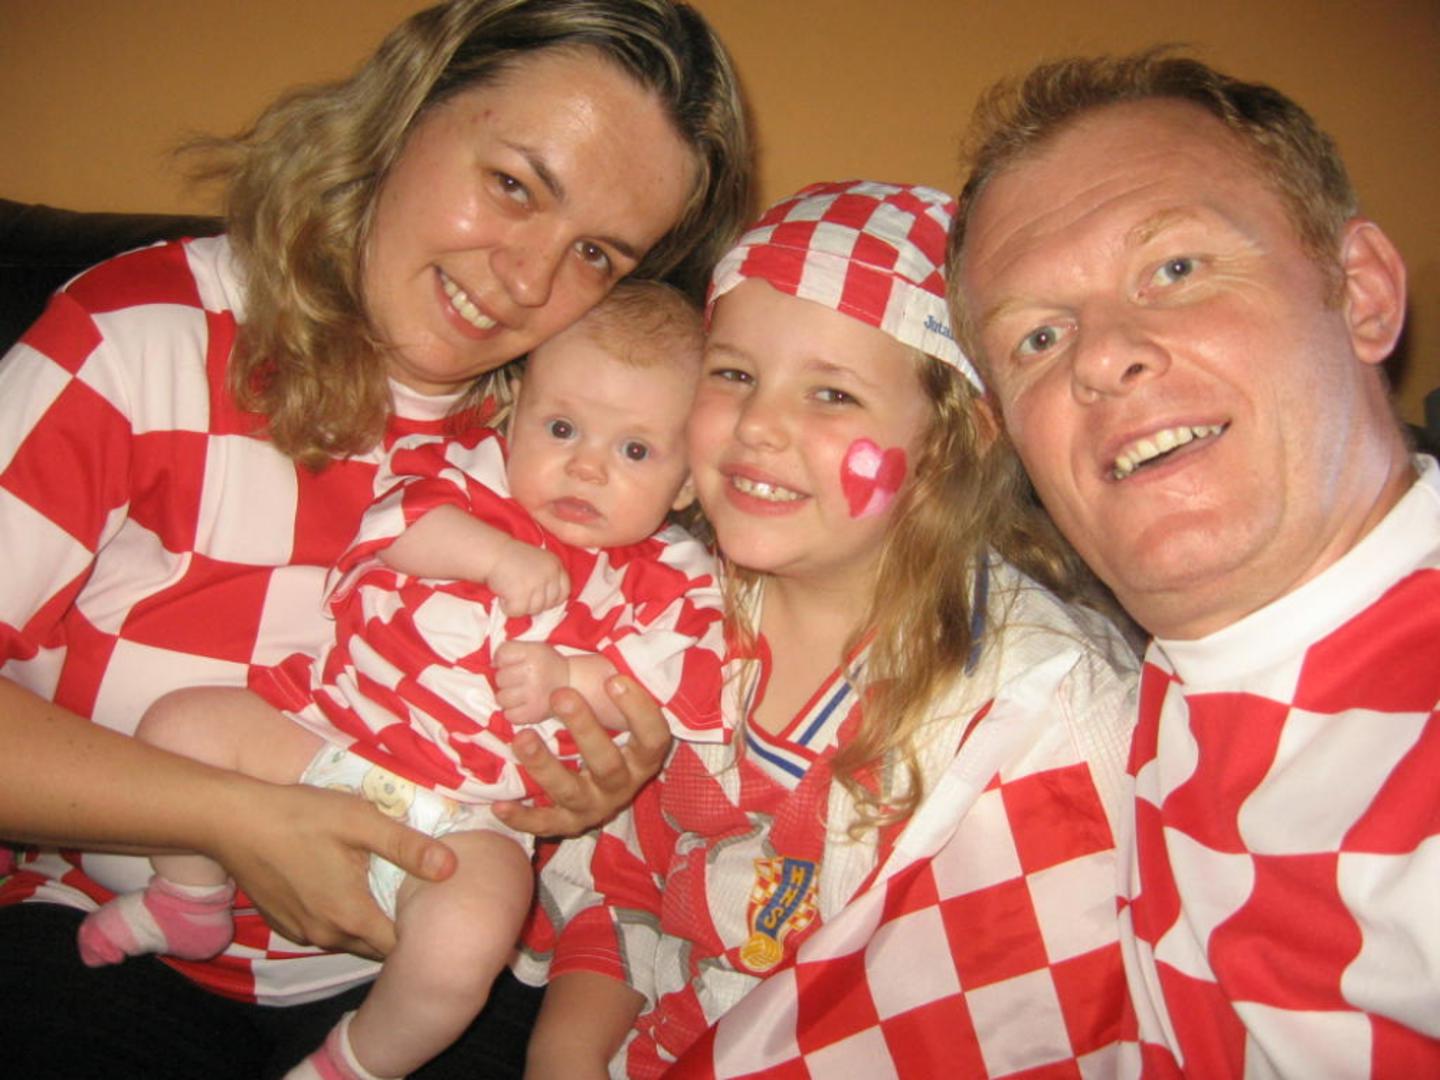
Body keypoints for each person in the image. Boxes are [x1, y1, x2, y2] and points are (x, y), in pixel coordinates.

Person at [0, 1, 751, 1075]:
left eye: (593, 252)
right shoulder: (138, 339)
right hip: (112, 928)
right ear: (407, 110)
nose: (528, 281)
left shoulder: (567, 434)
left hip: (416, 968)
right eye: (515, 185)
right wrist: (233, 819)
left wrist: (587, 793)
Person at [519, 179, 1139, 1077]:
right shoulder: (666, 612)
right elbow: (623, 890)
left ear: (949, 443)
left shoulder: (1036, 716)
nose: (758, 425)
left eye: (832, 394)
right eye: (734, 375)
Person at [74, 280, 725, 1079]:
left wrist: (577, 677)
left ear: (686, 482)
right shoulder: (467, 483)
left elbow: (684, 680)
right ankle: (189, 900)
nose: (586, 467)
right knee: (181, 725)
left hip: (470, 818)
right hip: (325, 733)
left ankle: (352, 1062)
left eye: (635, 451)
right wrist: (495, 556)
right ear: (512, 418)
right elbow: (393, 530)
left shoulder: (672, 579)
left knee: (469, 941)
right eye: (561, 428)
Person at [945, 51, 1439, 1076]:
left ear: (1361, 295)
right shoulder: (1120, 690)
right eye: (1038, 337)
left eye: (1175, 269)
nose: (1098, 356)